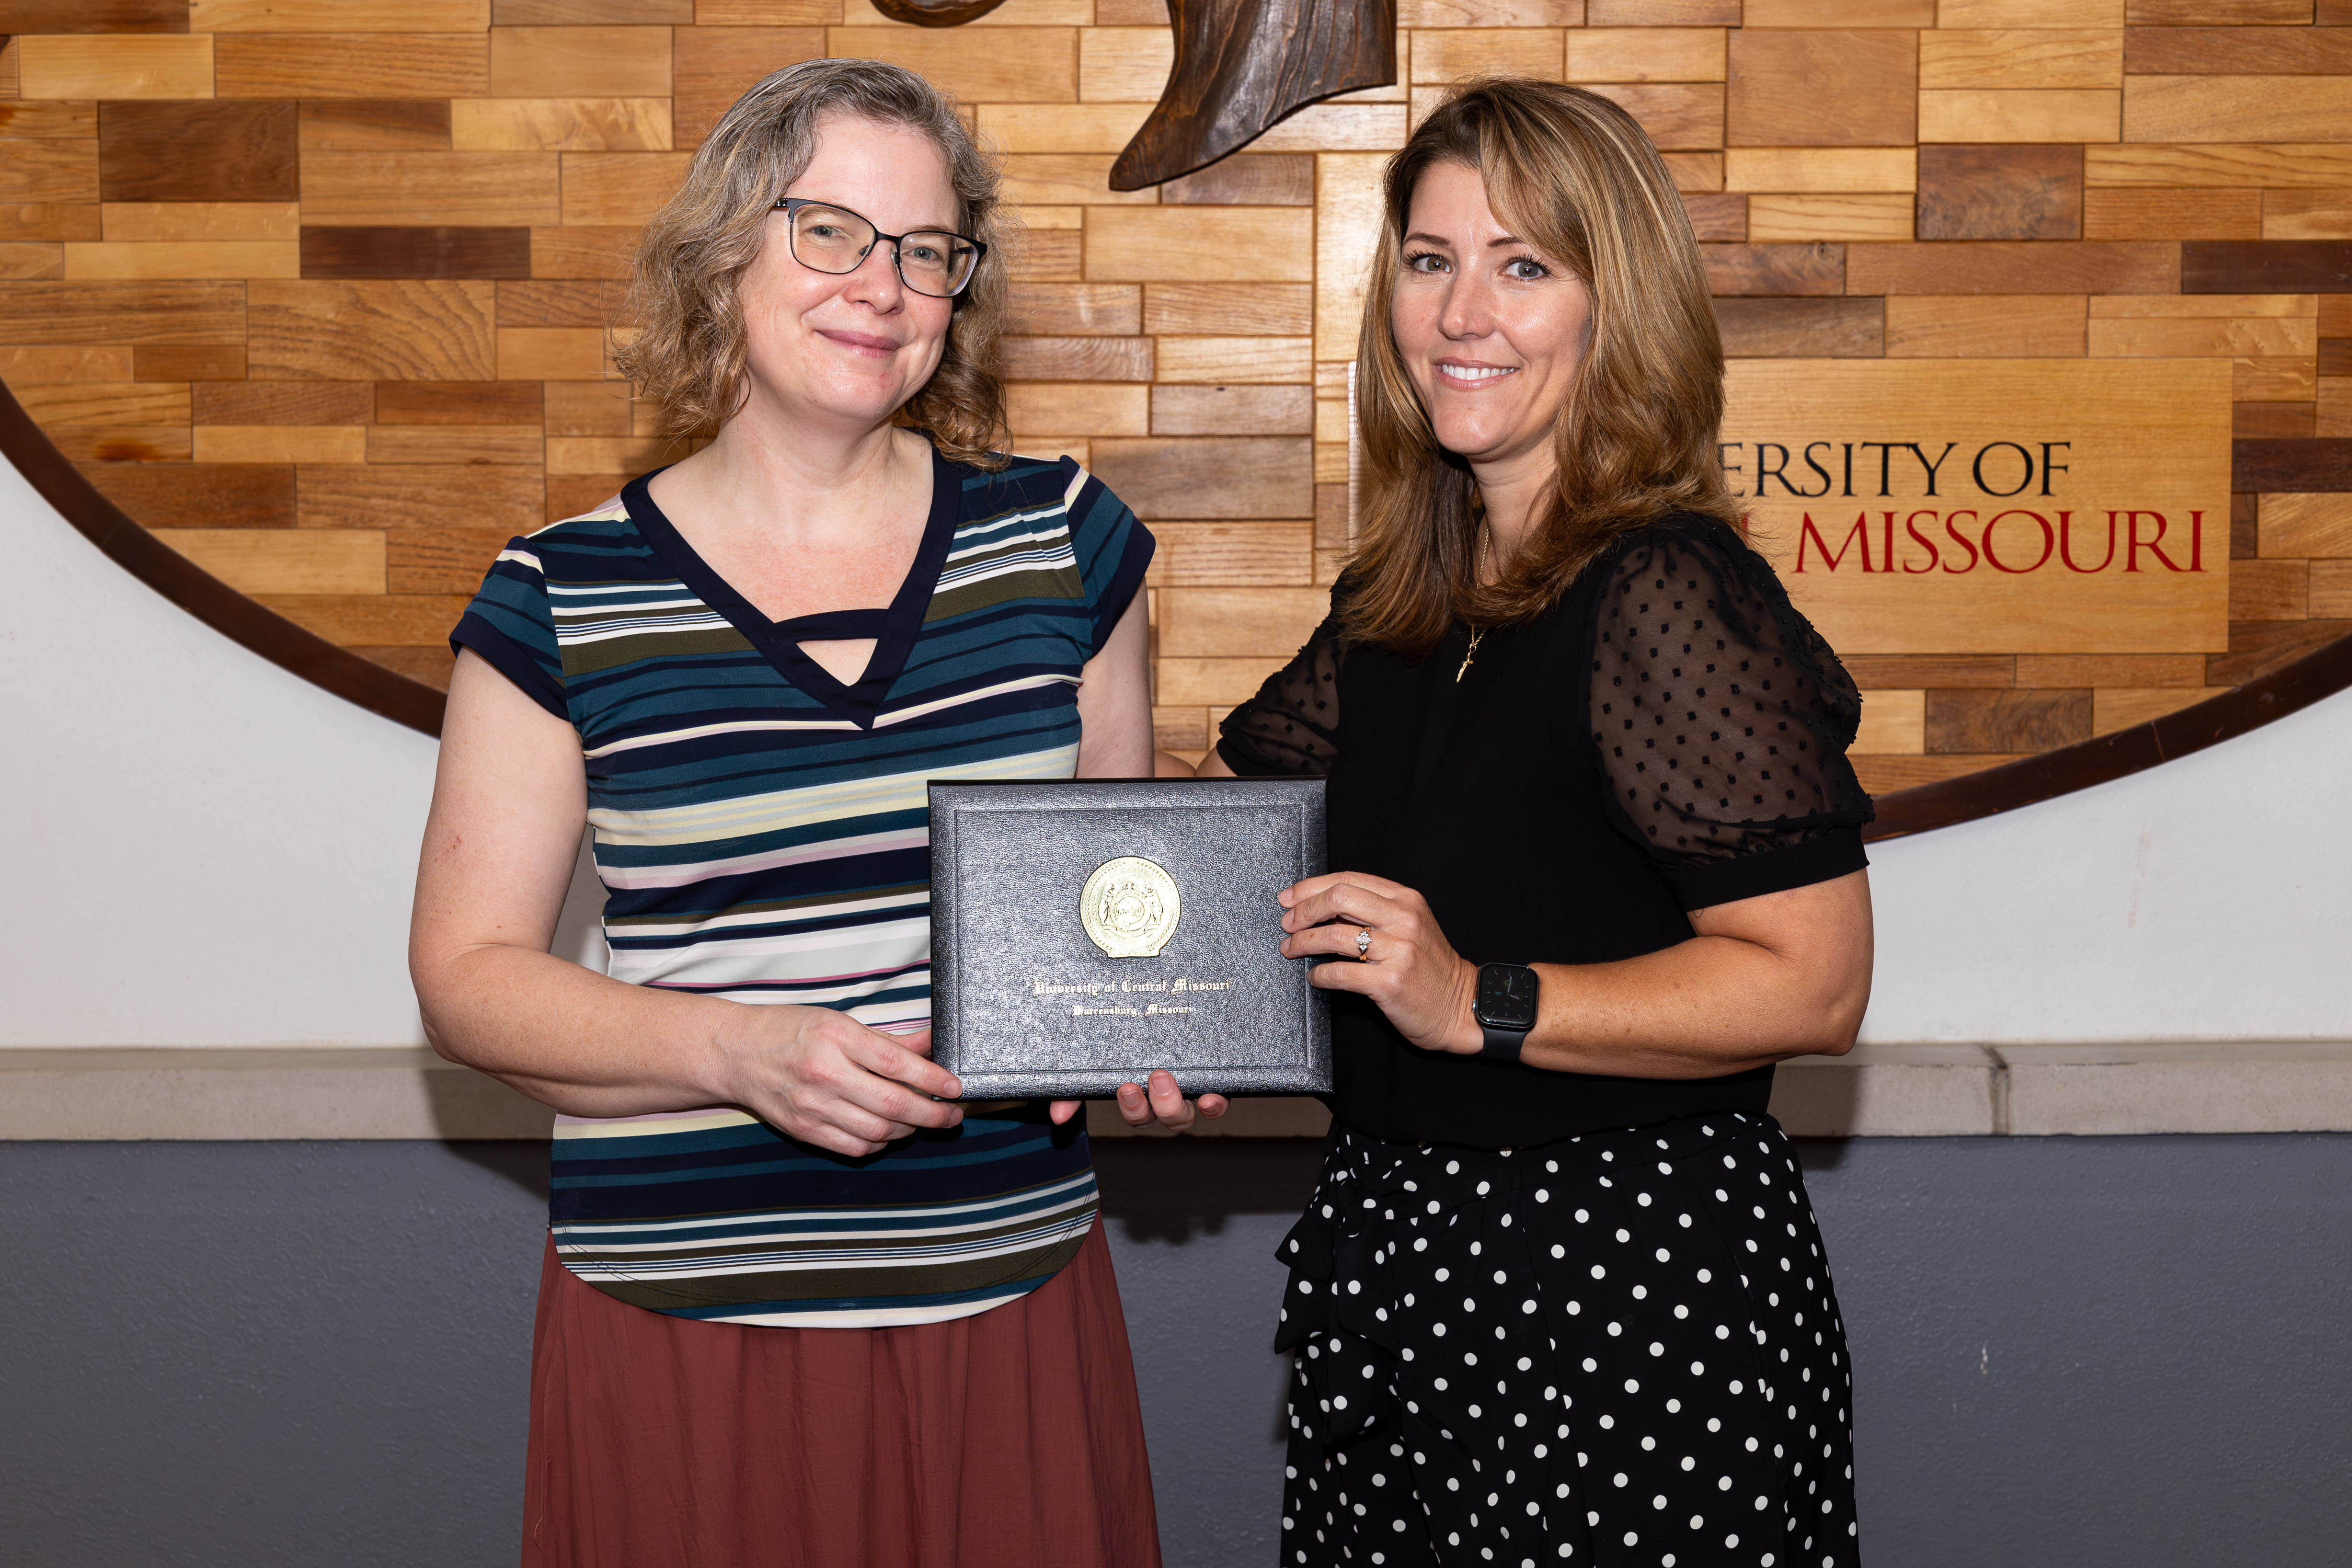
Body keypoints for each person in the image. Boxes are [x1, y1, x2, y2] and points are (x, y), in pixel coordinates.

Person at [409, 58, 1221, 1567]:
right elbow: (467, 978)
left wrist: (1158, 1028)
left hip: (1002, 1309)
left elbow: (1121, 899)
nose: (884, 286)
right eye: (831, 232)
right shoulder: (560, 593)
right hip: (680, 1336)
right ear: (726, 249)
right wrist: (744, 1049)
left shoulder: (1063, 544)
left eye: (928, 250)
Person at [1200, 79, 1876, 1568]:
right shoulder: (1396, 607)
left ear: (1611, 304)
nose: (1461, 312)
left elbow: (1814, 980)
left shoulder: (1664, 586)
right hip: (1401, 1274)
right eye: (1430, 260)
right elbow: (1243, 871)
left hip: (1627, 1289)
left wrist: (1477, 1000)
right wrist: (1161, 1024)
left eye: (1524, 265)